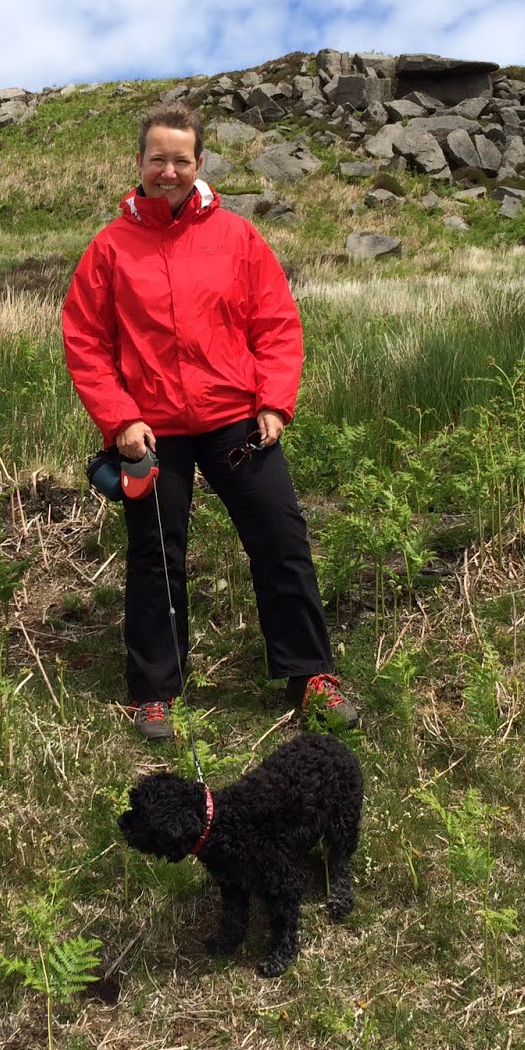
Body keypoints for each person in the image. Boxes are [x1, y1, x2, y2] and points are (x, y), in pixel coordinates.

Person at [61, 101, 356, 740]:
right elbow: (85, 340)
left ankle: (311, 676)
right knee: (155, 559)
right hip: (152, 431)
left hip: (236, 421)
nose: (168, 170)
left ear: (199, 163)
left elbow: (276, 323)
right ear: (139, 163)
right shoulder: (109, 247)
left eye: (181, 159)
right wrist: (119, 418)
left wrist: (275, 400)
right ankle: (154, 693)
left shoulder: (238, 236)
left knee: (281, 541)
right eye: (157, 158)